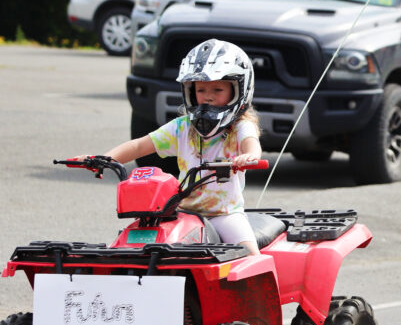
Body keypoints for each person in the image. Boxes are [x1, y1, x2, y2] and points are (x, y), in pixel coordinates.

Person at [80, 39, 263, 256]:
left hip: (224, 214)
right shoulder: (182, 128)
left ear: (238, 91)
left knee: (250, 255)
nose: (209, 95)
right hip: (181, 211)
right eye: (201, 89)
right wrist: (105, 158)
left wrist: (249, 156)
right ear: (189, 91)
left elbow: (251, 144)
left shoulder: (240, 126)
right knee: (145, 250)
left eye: (218, 88)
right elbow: (139, 146)